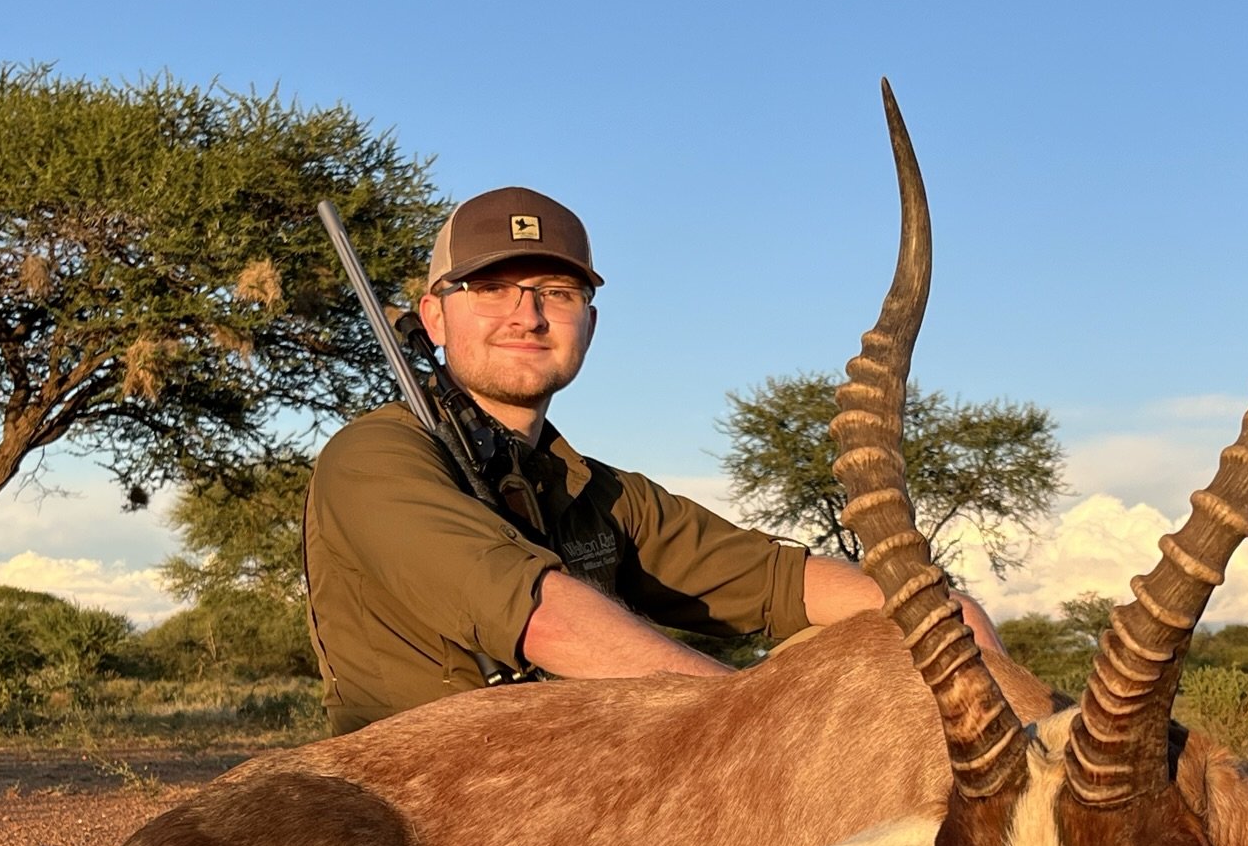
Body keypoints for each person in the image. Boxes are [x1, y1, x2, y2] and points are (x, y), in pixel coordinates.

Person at [304, 187, 1003, 734]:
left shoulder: (602, 492)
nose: (527, 315)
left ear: (590, 323)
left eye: (557, 292)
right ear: (433, 318)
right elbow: (542, 616)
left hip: (563, 795)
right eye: (491, 289)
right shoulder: (373, 459)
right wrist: (758, 717)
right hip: (406, 813)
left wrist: (941, 613)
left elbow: (775, 582)